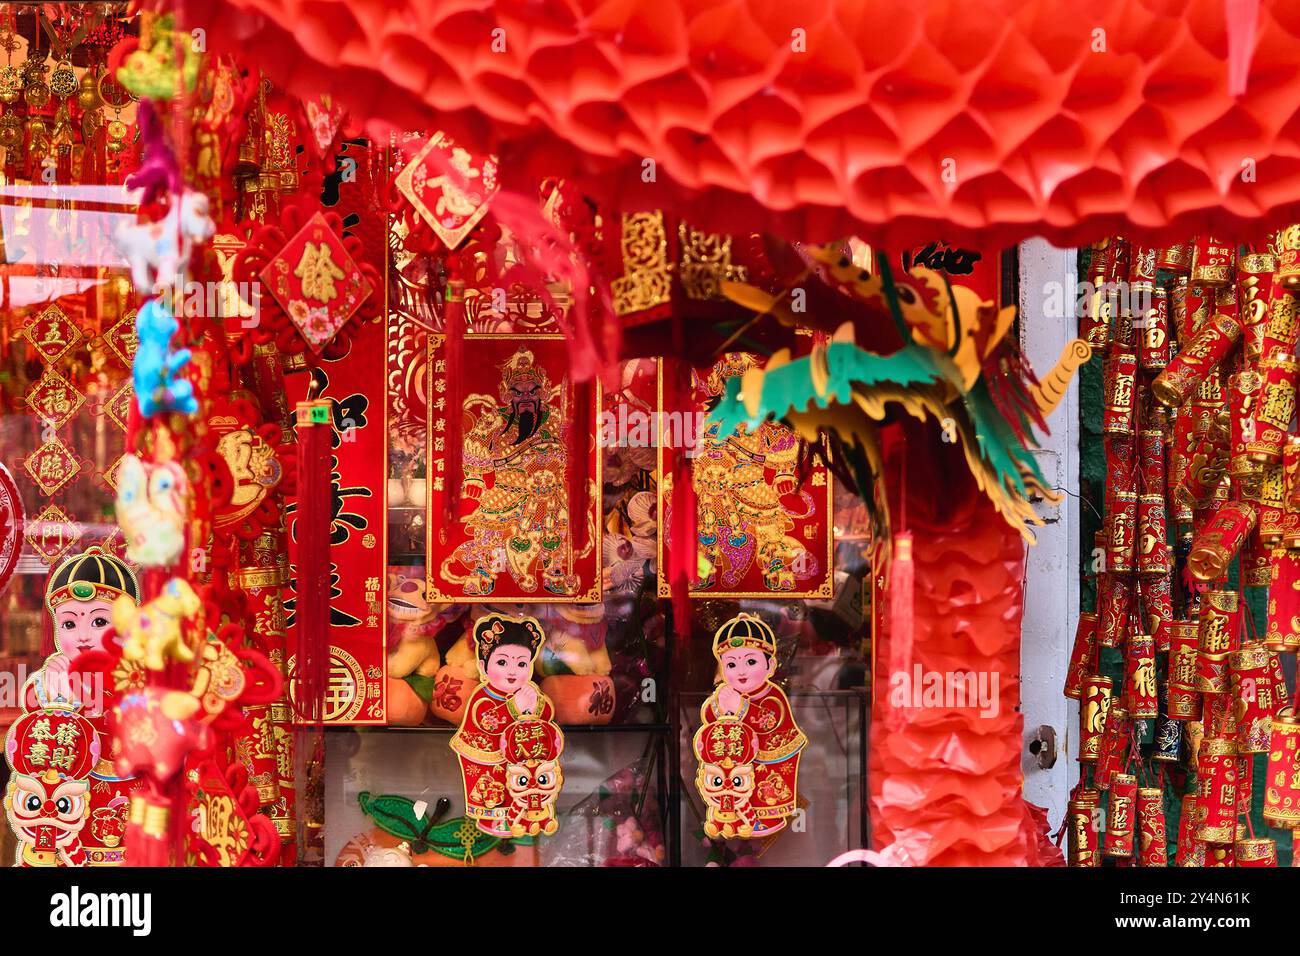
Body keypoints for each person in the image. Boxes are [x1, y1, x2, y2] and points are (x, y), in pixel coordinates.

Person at [700, 612, 807, 835]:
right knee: (730, 787)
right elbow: (711, 719)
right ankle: (731, 817)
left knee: (763, 792)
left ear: (770, 666)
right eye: (731, 664)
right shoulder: (727, 692)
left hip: (771, 757)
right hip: (738, 756)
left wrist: (739, 706)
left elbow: (767, 721)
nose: (740, 671)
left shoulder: (772, 694)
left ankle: (766, 818)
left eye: (750, 661)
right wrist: (719, 706)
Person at [450, 613, 556, 835]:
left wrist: (535, 705)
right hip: (484, 757)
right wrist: (515, 707)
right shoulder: (483, 695)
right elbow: (488, 721)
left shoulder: (526, 691)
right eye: (502, 662)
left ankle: (519, 818)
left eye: (521, 664)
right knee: (492, 792)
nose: (512, 671)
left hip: (515, 753)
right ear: (483, 665)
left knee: (518, 788)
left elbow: (543, 716)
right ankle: (493, 822)